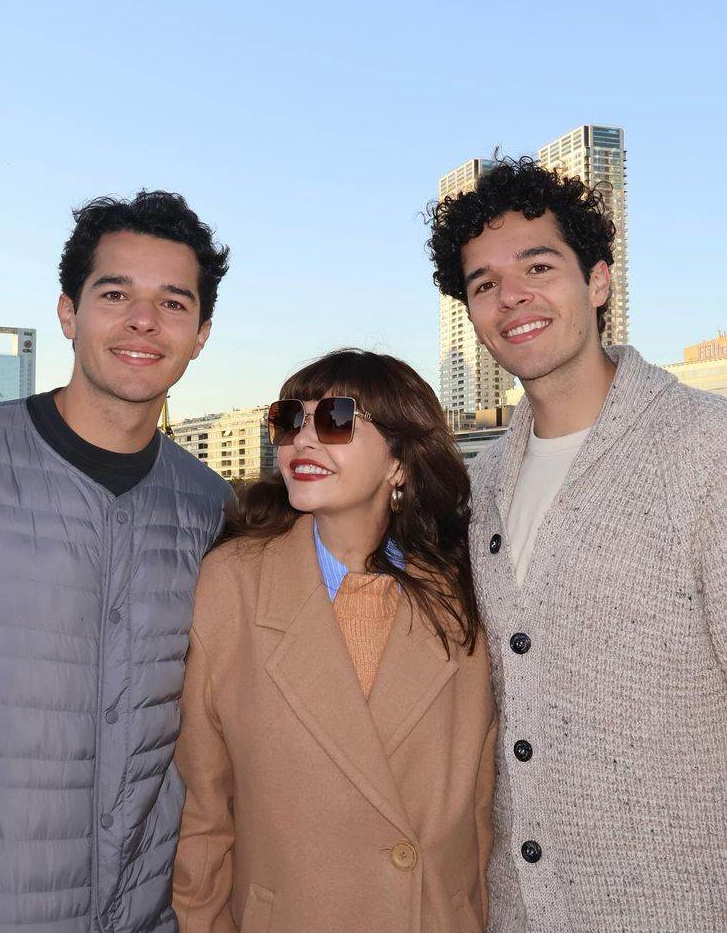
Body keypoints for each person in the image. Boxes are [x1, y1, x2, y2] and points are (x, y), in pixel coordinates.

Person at [0, 191, 233, 933]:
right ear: (68, 313)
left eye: (173, 303)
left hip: (144, 914)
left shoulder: (209, 507)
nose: (143, 321)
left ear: (201, 334)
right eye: (115, 294)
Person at [427, 158, 727, 932]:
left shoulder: (706, 450)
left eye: (537, 267)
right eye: (483, 284)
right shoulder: (481, 485)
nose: (510, 297)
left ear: (597, 281)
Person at [172, 349, 497, 933]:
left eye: (336, 419)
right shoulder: (232, 584)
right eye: (289, 419)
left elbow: (481, 807)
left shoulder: (465, 596)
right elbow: (203, 806)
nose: (302, 439)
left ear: (399, 461)